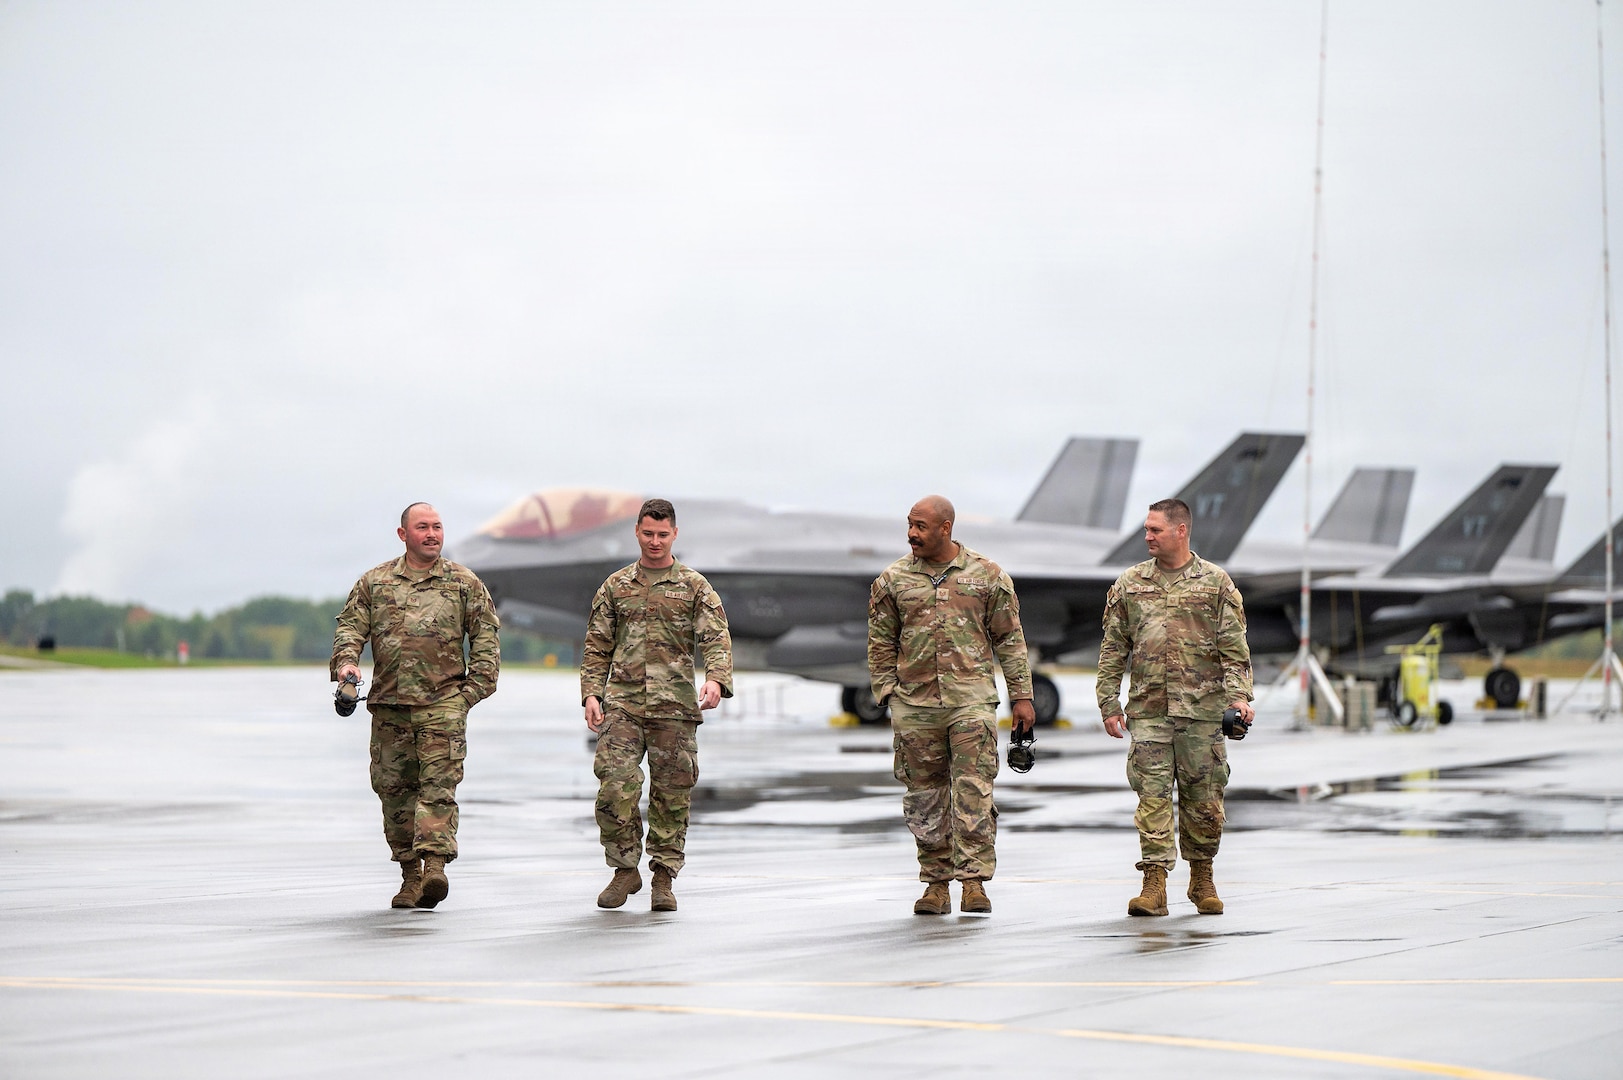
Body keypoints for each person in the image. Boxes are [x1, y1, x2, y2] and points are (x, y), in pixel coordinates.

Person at [868, 495, 1036, 915]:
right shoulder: (893, 580)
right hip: (915, 707)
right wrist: (888, 692)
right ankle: (936, 885)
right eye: (909, 524)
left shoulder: (988, 576)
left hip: (971, 702)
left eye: (921, 526)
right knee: (924, 798)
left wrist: (1022, 698)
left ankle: (974, 882)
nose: (911, 534)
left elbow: (1010, 641)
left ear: (945, 528)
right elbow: (880, 640)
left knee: (973, 793)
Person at [330, 502, 501, 910]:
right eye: (422, 527)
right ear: (403, 534)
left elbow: (486, 639)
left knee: (438, 788)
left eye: (437, 527)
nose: (432, 534)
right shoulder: (375, 582)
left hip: (443, 703)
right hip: (390, 707)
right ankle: (410, 875)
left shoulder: (463, 583)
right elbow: (351, 626)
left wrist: (469, 694)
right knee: (394, 793)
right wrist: (347, 663)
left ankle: (436, 866)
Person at [1097, 498, 1254, 917]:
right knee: (1151, 797)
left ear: (1180, 531)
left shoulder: (1216, 584)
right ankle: (1154, 885)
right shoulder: (1130, 584)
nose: (1147, 536)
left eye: (1155, 530)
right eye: (1146, 530)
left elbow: (1234, 651)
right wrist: (1108, 701)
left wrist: (1240, 698)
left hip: (1203, 713)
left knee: (1203, 801)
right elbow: (1114, 647)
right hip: (1148, 712)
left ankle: (1202, 878)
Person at [581, 498, 733, 912]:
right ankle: (624, 868)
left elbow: (716, 638)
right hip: (623, 705)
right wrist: (591, 694)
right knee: (615, 786)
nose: (654, 541)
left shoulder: (694, 586)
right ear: (637, 531)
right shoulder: (615, 586)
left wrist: (717, 679)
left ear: (675, 534)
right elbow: (597, 646)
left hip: (674, 709)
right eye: (648, 533)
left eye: (662, 534)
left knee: (672, 795)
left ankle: (663, 877)